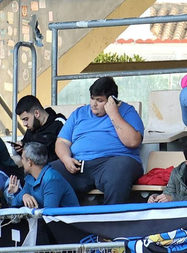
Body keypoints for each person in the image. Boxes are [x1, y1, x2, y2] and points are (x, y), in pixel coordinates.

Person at [56, 76, 145, 205]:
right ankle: (58, 221)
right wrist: (66, 159)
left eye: (99, 100)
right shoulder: (79, 113)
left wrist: (113, 113)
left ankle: (110, 221)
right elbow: (62, 142)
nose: (94, 104)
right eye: (92, 98)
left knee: (120, 170)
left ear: (111, 99)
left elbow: (133, 142)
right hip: (79, 164)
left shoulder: (126, 111)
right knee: (49, 173)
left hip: (114, 161)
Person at [6, 142, 77, 209]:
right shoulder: (31, 178)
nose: (21, 162)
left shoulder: (52, 180)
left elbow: (49, 213)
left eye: (23, 159)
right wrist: (23, 195)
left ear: (29, 162)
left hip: (67, 221)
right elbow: (15, 204)